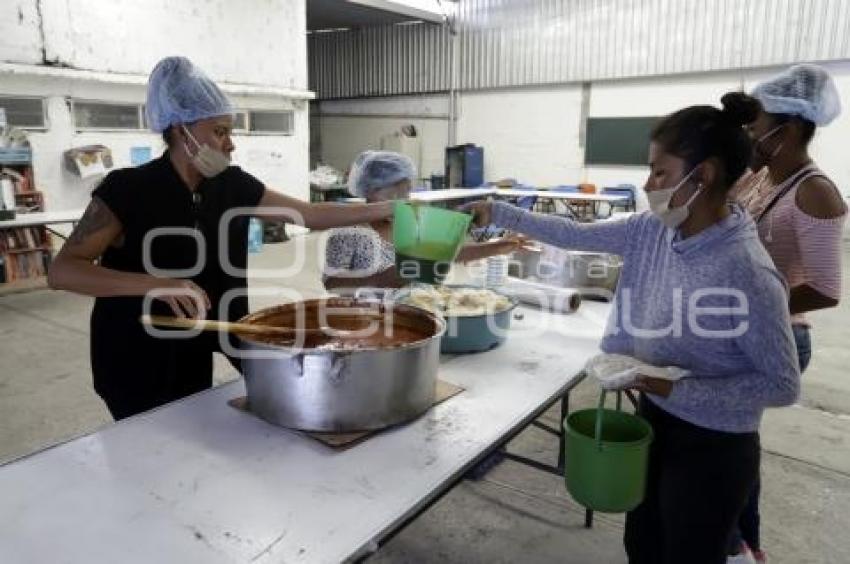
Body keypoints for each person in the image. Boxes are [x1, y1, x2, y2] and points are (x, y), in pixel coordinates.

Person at [464, 94, 800, 564]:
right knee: (643, 543)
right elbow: (576, 236)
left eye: (660, 173)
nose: (648, 184)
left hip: (715, 446)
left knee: (690, 552)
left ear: (703, 175)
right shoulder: (654, 229)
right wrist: (497, 211)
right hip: (656, 418)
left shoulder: (745, 270)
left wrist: (667, 386)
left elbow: (782, 385)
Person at [47, 57, 394, 420]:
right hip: (133, 353)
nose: (230, 145)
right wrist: (155, 284)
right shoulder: (127, 190)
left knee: (193, 435)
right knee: (147, 451)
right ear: (182, 131)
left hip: (193, 348)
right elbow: (64, 271)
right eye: (220, 131)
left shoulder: (231, 185)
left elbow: (310, 214)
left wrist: (384, 209)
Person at [729, 64, 847, 562]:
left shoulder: (814, 191)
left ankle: (742, 544)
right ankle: (732, 537)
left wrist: (757, 303)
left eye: (758, 122)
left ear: (792, 128)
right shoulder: (758, 177)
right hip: (733, 325)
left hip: (775, 335)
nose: (752, 131)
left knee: (730, 444)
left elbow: (825, 289)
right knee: (723, 440)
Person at [322, 150, 523, 290]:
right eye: (397, 192)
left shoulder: (406, 221)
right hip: (369, 321)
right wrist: (384, 279)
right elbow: (331, 284)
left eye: (407, 192)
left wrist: (499, 247)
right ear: (373, 190)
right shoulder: (350, 229)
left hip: (414, 311)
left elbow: (447, 252)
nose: (405, 199)